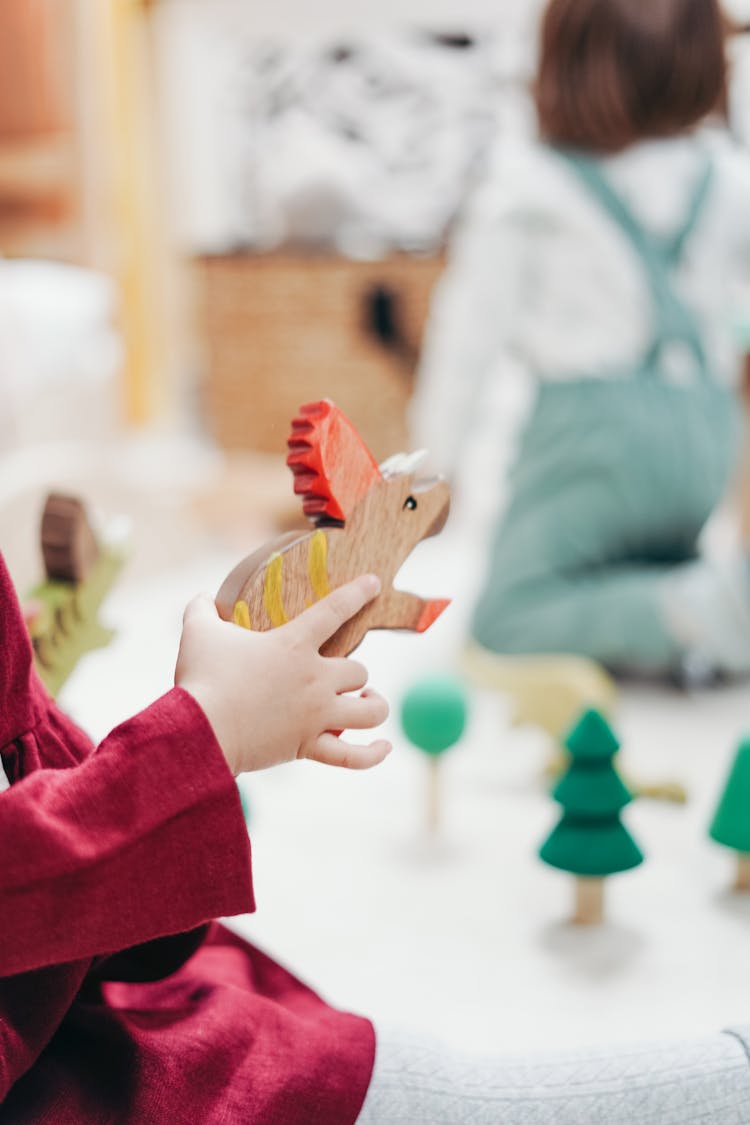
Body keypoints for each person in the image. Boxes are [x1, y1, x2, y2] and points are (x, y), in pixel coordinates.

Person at [411, 0, 750, 680]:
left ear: (561, 59)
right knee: (642, 553)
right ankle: (689, 598)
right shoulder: (728, 177)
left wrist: (424, 474)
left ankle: (689, 609)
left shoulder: (527, 187)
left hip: (593, 451)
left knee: (506, 618)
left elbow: (467, 343)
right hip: (702, 443)